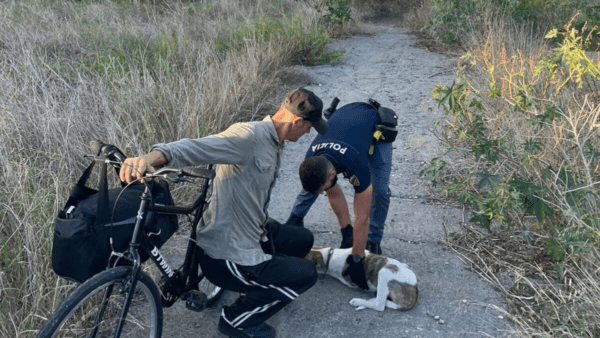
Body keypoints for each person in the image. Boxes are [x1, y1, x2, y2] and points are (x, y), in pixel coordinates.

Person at [120, 88, 328, 338]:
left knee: (302, 239)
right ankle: (236, 321)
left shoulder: (274, 141)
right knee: (305, 275)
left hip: (252, 232)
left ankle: (265, 286)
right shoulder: (249, 136)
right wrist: (148, 158)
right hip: (227, 253)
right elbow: (195, 147)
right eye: (309, 127)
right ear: (297, 121)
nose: (308, 132)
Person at [285, 99, 397, 290]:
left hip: (376, 125)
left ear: (332, 174)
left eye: (326, 186)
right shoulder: (313, 158)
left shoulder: (356, 164)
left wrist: (357, 257)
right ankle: (294, 220)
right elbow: (333, 191)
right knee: (315, 184)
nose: (325, 192)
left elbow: (362, 216)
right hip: (345, 118)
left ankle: (375, 239)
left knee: (380, 191)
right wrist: (346, 231)